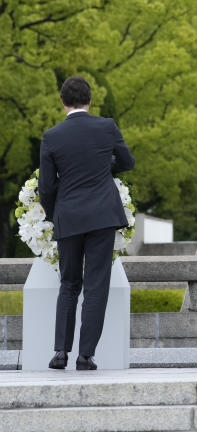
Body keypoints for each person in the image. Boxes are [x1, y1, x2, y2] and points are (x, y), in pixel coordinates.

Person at [39, 76, 135, 371]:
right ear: (90, 100)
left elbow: (46, 187)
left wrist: (56, 213)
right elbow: (127, 161)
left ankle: (59, 353)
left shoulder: (52, 136)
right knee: (96, 286)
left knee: (68, 284)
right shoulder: (106, 126)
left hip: (68, 215)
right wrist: (105, 169)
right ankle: (85, 355)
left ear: (62, 102)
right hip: (103, 215)